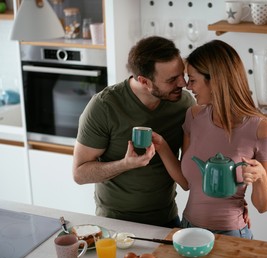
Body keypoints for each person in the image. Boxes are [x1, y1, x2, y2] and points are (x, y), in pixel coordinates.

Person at [153, 40, 267, 239]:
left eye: (193, 80)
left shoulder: (263, 131)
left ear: (215, 81)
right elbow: (187, 182)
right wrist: (160, 146)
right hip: (188, 230)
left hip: (231, 235)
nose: (187, 86)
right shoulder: (193, 117)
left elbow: (264, 206)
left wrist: (261, 176)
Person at [72, 36, 195, 228]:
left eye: (182, 74)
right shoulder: (104, 106)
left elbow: (190, 174)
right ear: (144, 81)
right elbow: (79, 174)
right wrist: (124, 165)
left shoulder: (184, 105)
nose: (183, 83)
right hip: (113, 223)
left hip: (166, 219)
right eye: (172, 80)